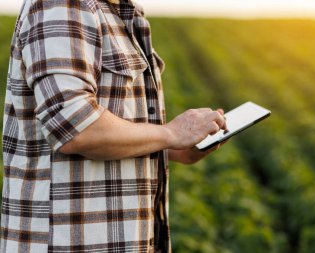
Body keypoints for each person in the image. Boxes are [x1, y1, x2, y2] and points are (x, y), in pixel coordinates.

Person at [0, 0, 227, 252]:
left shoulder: (123, 11)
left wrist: (176, 148)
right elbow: (76, 128)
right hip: (72, 243)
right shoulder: (64, 5)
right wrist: (171, 132)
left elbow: (117, 126)